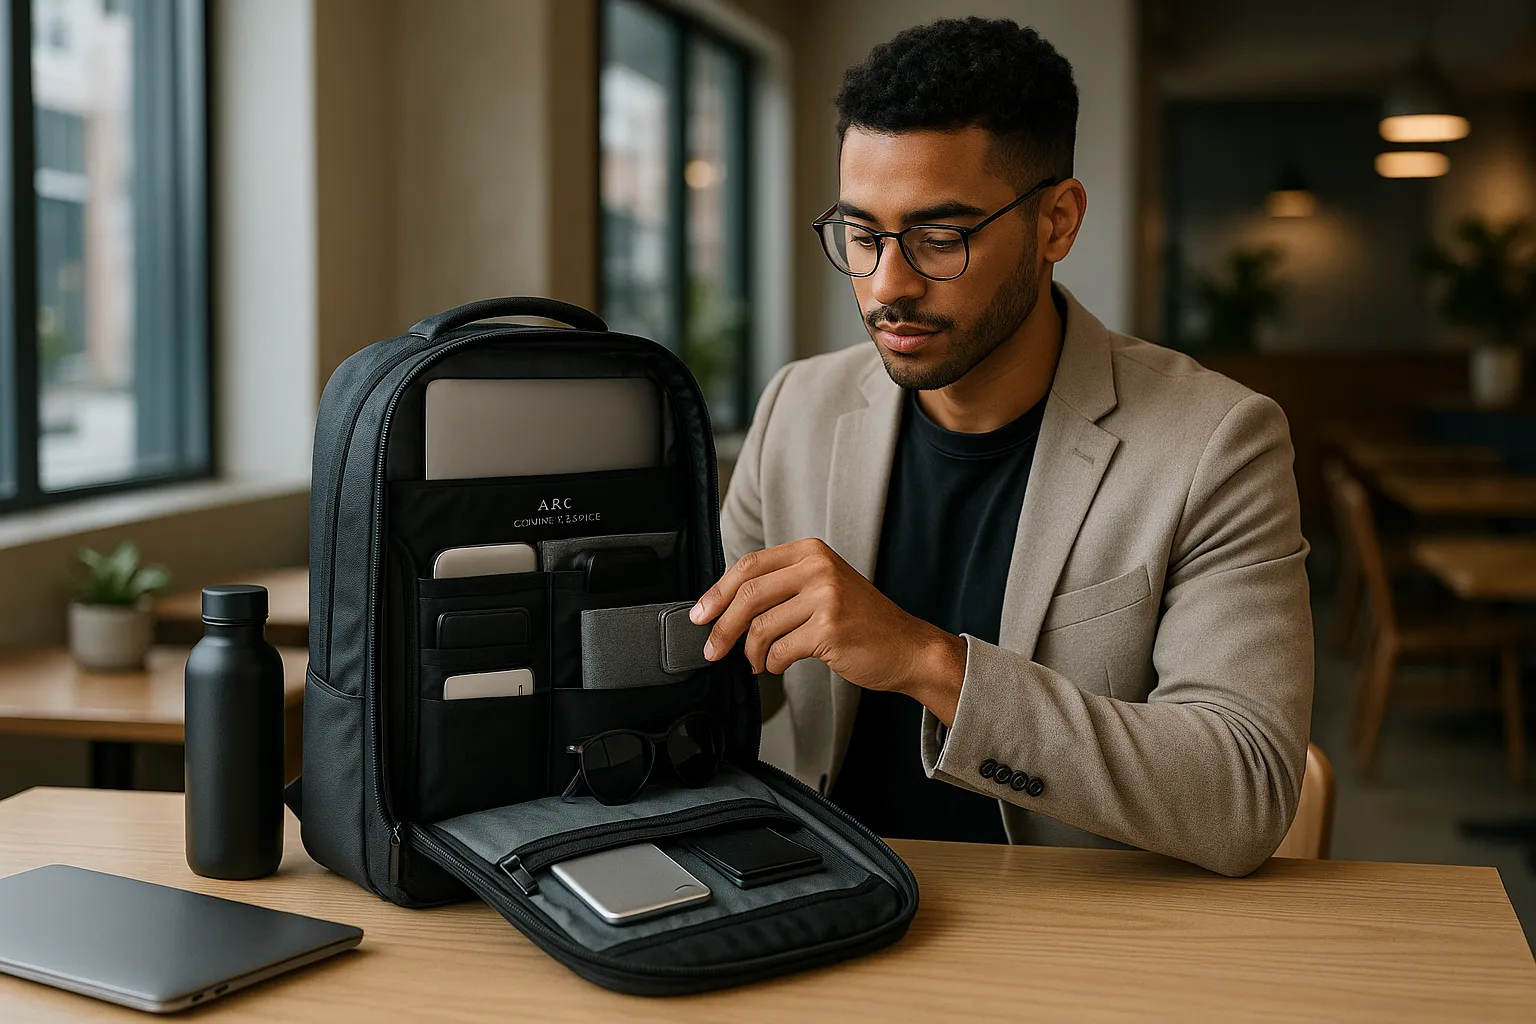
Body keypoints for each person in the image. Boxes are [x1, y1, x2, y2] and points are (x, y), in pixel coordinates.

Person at [689, 17, 1313, 876]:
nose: (886, 286)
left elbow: (1243, 793)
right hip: (824, 904)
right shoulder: (798, 407)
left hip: (1070, 938)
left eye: (940, 238)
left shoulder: (1217, 442)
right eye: (862, 236)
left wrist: (924, 659)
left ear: (1057, 223)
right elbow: (712, 684)